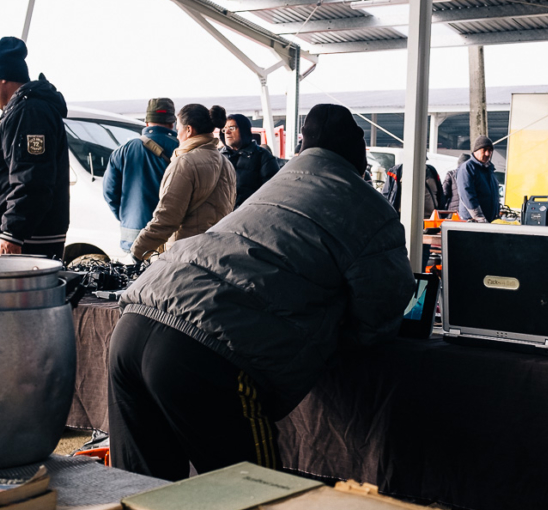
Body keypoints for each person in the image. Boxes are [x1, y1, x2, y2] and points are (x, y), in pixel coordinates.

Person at [109, 104, 415, 479]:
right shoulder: (369, 206)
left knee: (142, 495)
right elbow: (382, 308)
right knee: (251, 507)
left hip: (134, 323)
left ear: (303, 147)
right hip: (208, 351)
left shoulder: (277, 182)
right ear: (360, 152)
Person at [0, 36, 69, 260]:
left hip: (26, 240)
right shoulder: (20, 111)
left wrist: (13, 232)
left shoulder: (29, 113)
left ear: (3, 78)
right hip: (22, 236)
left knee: (18, 296)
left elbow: (32, 177)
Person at [129, 104, 236, 261]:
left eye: (178, 128)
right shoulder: (226, 163)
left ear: (189, 130)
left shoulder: (184, 163)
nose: (177, 135)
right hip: (217, 252)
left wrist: (139, 250)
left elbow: (167, 216)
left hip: (186, 254)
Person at [102, 98, 180, 253]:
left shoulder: (123, 150)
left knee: (135, 277)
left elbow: (109, 192)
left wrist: (127, 217)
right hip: (170, 237)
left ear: (147, 122)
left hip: (133, 235)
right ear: (172, 123)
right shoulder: (182, 149)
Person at [220, 114, 280, 208]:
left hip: (249, 215)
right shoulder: (219, 157)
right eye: (224, 129)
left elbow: (272, 192)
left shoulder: (263, 157)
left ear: (244, 130)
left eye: (232, 128)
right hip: (221, 218)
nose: (227, 132)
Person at [458, 136, 500, 222]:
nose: (488, 153)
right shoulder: (467, 168)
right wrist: (479, 217)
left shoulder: (489, 169)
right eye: (484, 150)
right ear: (476, 150)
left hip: (488, 220)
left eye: (490, 150)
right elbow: (467, 195)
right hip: (472, 221)